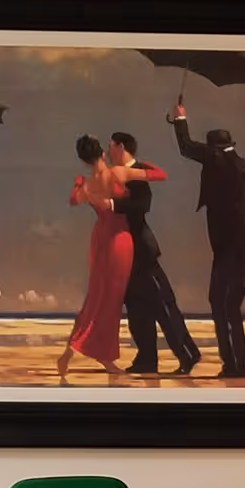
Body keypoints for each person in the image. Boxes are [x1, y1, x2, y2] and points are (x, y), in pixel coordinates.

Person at [86, 132, 199, 375]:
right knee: (136, 308)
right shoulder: (119, 173)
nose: (109, 150)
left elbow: (142, 206)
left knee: (162, 304)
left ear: (121, 147)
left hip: (141, 251)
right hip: (123, 253)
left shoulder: (135, 173)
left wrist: (114, 205)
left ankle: (187, 354)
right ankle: (146, 358)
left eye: (112, 145)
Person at [59, 135, 162, 380]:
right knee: (111, 300)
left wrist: (78, 184)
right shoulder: (118, 174)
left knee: (95, 296)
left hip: (100, 239)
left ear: (84, 159)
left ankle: (78, 349)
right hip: (119, 239)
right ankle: (100, 354)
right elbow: (159, 174)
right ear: (102, 153)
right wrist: (137, 163)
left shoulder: (86, 183)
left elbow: (74, 201)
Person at [169, 101, 245, 378]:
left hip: (229, 250)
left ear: (215, 149)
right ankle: (238, 364)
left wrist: (180, 118)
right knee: (228, 305)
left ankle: (234, 365)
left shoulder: (217, 160)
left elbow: (186, 147)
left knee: (221, 303)